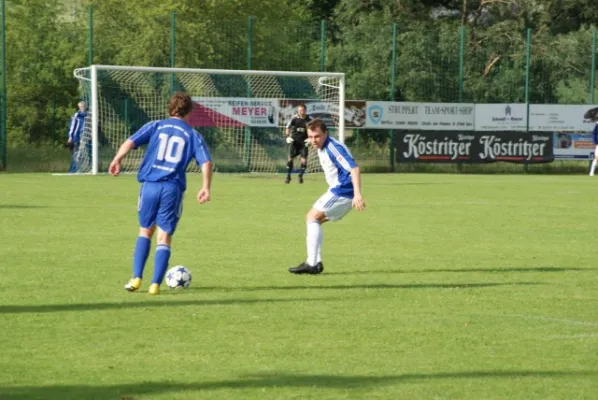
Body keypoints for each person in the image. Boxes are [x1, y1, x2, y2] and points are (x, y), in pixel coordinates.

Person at [108, 92, 213, 295]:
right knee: (164, 237)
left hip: (149, 185)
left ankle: (136, 278)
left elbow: (130, 142)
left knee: (145, 230)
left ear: (169, 109)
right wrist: (205, 187)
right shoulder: (192, 134)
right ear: (189, 112)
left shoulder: (155, 125)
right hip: (171, 189)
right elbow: (206, 162)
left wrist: (117, 159)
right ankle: (155, 285)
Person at [288, 119, 366, 274]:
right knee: (314, 220)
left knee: (311, 217)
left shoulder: (333, 148)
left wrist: (357, 194)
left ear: (325, 133)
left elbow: (354, 168)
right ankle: (314, 262)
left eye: (317, 136)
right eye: (310, 136)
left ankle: (313, 263)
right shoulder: (322, 145)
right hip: (339, 190)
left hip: (343, 191)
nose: (313, 140)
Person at [284, 103, 311, 184]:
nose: (300, 112)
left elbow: (314, 129)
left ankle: (300, 176)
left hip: (304, 143)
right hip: (294, 142)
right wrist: (288, 136)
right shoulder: (294, 118)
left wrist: (310, 139)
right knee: (290, 159)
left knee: (304, 160)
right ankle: (288, 176)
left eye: (302, 110)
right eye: (299, 110)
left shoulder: (309, 119)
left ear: (305, 110)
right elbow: (287, 128)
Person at [66, 101, 87, 173]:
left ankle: (79, 168)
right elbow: (72, 126)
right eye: (81, 106)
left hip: (84, 137)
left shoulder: (87, 115)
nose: (82, 108)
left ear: (85, 106)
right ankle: (73, 170)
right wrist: (70, 137)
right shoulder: (77, 115)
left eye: (83, 106)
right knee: (76, 154)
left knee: (81, 154)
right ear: (79, 107)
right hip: (76, 137)